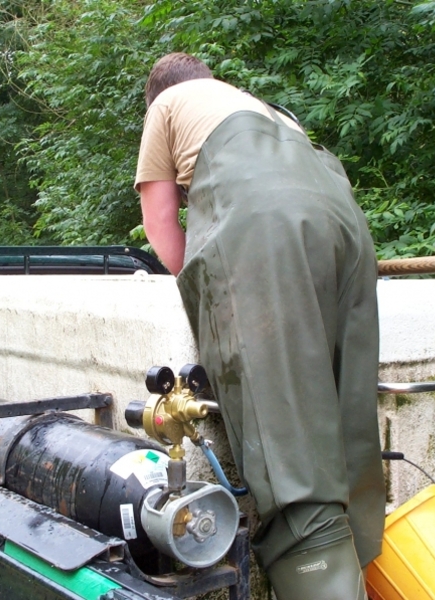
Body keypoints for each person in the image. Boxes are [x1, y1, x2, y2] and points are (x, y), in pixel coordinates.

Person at [135, 52, 384, 600]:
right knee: (346, 412)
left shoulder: (168, 105)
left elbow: (159, 222)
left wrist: (208, 280)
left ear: (159, 95)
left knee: (285, 429)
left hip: (265, 225)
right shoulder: (264, 109)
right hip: (344, 224)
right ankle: (364, 564)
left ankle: (322, 580)